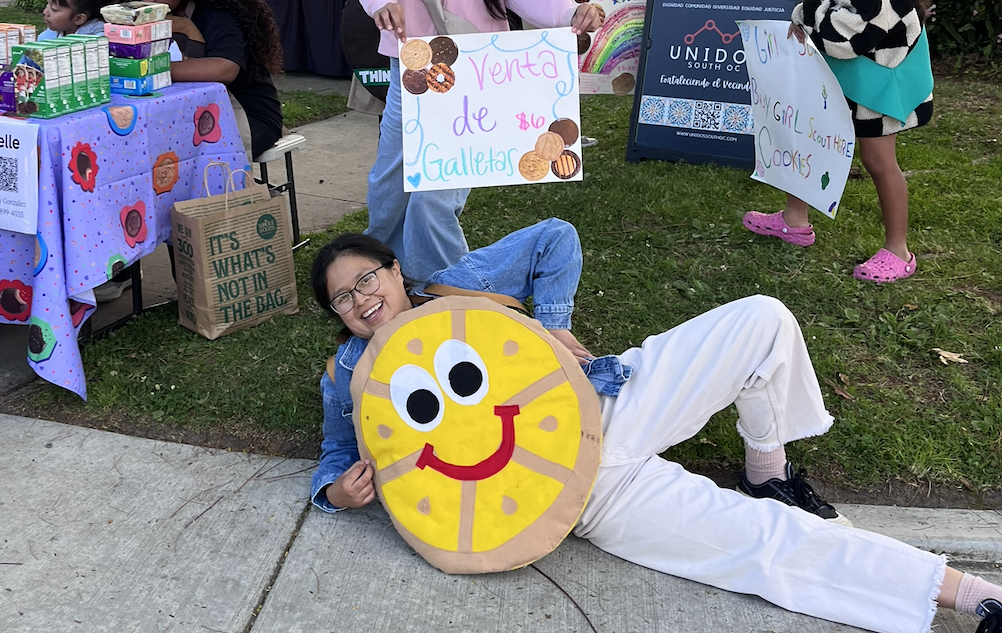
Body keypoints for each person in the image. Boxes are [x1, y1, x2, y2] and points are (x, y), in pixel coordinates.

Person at [308, 219, 1002, 633]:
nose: (361, 298)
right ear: (337, 315)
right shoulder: (347, 381)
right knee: (762, 548)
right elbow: (334, 458)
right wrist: (339, 492)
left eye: (366, 278)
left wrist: (553, 331)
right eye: (343, 297)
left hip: (609, 402)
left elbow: (555, 238)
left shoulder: (450, 287)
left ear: (396, 271)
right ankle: (975, 596)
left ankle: (769, 471)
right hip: (583, 497)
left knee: (763, 317)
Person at [361, 0, 605, 281]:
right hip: (412, 59)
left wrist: (567, 12)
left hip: (477, 61)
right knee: (390, 178)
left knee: (436, 191)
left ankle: (448, 283)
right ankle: (380, 263)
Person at [742, 0, 933, 283]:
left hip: (880, 88)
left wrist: (809, 19)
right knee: (810, 138)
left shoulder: (890, 4)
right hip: (846, 76)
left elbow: (841, 42)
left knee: (878, 161)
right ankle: (795, 219)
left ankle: (898, 250)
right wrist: (811, 18)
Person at [166, 0, 284, 161]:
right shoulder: (141, 15)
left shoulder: (219, 11)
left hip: (249, 116)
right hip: (190, 113)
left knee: (178, 156)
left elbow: (225, 68)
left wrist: (151, 69)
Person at [38, 0, 106, 40]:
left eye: (54, 9)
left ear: (79, 19)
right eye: (47, 5)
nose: (45, 12)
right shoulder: (46, 37)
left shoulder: (97, 44)